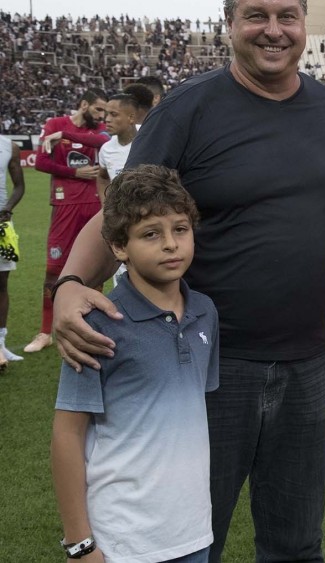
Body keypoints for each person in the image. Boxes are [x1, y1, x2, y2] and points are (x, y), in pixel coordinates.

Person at [52, 0, 325, 563]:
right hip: (207, 363)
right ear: (229, 23)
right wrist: (68, 284)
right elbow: (120, 211)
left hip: (309, 359)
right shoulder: (188, 109)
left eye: (287, 16)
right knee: (198, 537)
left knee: (297, 542)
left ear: (305, 24)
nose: (273, 29)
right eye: (256, 16)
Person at [51, 164, 217, 563]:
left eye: (180, 229)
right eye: (150, 234)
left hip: (193, 532)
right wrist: (80, 543)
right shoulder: (97, 324)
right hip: (123, 541)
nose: (171, 245)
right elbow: (67, 436)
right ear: (119, 247)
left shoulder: (205, 313)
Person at [25, 89, 107, 354]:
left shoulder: (100, 131)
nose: (102, 115)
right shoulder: (55, 125)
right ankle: (45, 331)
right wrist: (75, 172)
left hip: (95, 206)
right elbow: (40, 162)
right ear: (84, 105)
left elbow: (102, 141)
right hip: (64, 206)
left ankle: (93, 328)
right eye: (98, 109)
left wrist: (67, 139)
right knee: (53, 270)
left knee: (97, 270)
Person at [0, 134, 25, 370]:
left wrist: (8, 208)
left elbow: (19, 186)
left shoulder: (10, 146)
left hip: (2, 225)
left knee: (1, 283)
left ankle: (0, 344)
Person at [97, 93, 140, 197]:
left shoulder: (150, 139)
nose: (107, 119)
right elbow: (102, 178)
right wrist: (106, 205)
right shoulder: (106, 149)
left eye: (113, 114)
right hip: (122, 211)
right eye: (106, 114)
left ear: (131, 118)